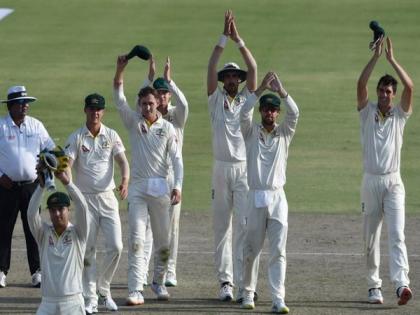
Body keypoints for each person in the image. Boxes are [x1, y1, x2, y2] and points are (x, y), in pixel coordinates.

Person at [113, 55, 183, 305]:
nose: (147, 107)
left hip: (161, 188)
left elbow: (177, 160)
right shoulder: (133, 122)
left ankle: (159, 282)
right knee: (136, 238)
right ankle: (134, 289)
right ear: (140, 105)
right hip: (139, 188)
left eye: (150, 103)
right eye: (143, 104)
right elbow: (119, 99)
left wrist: (177, 186)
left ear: (158, 104)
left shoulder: (168, 128)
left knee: (163, 241)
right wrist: (120, 70)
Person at [357, 36, 414, 305]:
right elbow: (360, 84)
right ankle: (373, 286)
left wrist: (392, 59)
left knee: (397, 233)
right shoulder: (367, 113)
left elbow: (411, 87)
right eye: (381, 90)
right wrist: (376, 58)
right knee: (371, 237)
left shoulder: (399, 115)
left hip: (393, 182)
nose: (383, 94)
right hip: (370, 181)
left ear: (393, 94)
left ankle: (402, 283)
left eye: (388, 91)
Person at [207, 10, 257, 302]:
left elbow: (254, 67)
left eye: (234, 77)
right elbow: (210, 64)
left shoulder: (247, 102)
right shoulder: (214, 100)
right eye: (226, 76)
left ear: (239, 80)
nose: (230, 80)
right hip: (221, 169)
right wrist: (222, 37)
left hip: (244, 170)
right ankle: (225, 282)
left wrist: (239, 40)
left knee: (246, 226)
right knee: (222, 227)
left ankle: (243, 282)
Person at [64, 93, 129, 313]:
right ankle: (90, 297)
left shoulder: (111, 135)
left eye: (99, 109)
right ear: (85, 111)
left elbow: (123, 162)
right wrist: (71, 189)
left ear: (103, 112)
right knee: (88, 249)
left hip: (108, 197)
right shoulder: (76, 137)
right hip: (85, 201)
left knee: (117, 246)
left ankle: (104, 290)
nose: (95, 113)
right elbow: (67, 165)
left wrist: (125, 181)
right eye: (91, 109)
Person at [239, 72, 299, 314]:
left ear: (277, 113)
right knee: (251, 249)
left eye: (274, 110)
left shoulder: (285, 133)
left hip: (277, 198)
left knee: (278, 251)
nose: (270, 113)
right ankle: (247, 293)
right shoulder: (250, 132)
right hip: (254, 197)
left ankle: (278, 298)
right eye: (266, 109)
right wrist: (260, 89)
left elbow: (295, 113)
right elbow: (243, 112)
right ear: (261, 111)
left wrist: (282, 92)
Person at [140, 56, 189, 287]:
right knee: (149, 226)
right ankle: (143, 270)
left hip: (172, 176)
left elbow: (186, 105)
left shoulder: (176, 115)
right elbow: (137, 100)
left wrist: (171, 82)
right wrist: (150, 76)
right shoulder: (147, 116)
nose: (160, 96)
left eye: (163, 93)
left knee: (171, 227)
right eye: (157, 93)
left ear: (168, 95)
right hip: (153, 175)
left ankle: (169, 271)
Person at [0, 85, 55, 288]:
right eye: (21, 103)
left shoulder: (36, 126)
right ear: (11, 106)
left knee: (33, 228)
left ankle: (37, 271)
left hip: (31, 186)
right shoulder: (1, 127)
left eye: (27, 103)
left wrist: (60, 160)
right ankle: (1, 271)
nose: (25, 106)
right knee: (3, 229)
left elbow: (50, 148)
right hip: (6, 187)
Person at [27, 163, 89, 315]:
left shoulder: (78, 233)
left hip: (73, 302)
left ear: (68, 209)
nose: (57, 214)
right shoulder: (43, 234)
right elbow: (31, 214)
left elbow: (83, 207)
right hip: (48, 302)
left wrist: (66, 181)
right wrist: (41, 187)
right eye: (53, 210)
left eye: (61, 209)